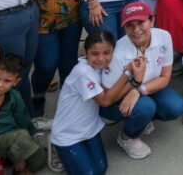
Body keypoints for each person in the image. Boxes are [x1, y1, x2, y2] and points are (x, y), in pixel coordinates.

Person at [99, 2, 183, 160]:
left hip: (147, 89)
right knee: (146, 107)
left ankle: (141, 119)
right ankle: (127, 137)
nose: (136, 30)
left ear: (152, 20)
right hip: (113, 103)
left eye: (141, 22)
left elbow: (165, 77)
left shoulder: (164, 36)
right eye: (130, 25)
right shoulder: (117, 52)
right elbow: (107, 99)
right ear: (124, 28)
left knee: (176, 106)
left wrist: (138, 90)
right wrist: (133, 82)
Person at [50, 30, 145, 175]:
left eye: (107, 53)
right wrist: (128, 74)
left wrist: (135, 82)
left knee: (101, 169)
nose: (101, 58)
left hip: (89, 129)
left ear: (113, 51)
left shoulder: (104, 67)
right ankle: (56, 147)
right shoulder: (83, 72)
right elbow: (106, 101)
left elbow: (114, 94)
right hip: (67, 135)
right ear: (85, 52)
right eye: (95, 54)